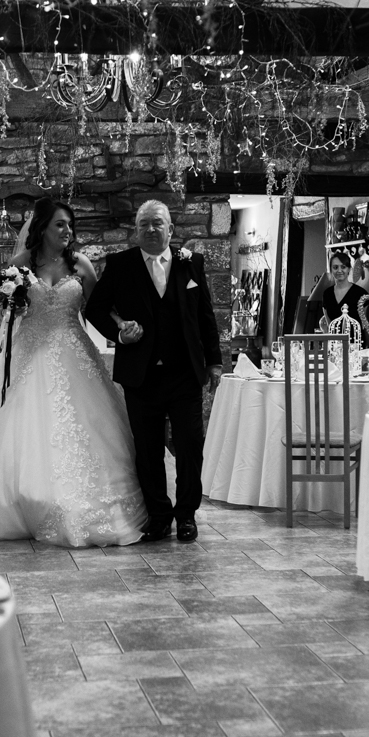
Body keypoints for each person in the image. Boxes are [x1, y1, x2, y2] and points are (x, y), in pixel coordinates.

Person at [0, 198, 147, 547]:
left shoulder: (80, 265)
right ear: (42, 228)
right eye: (60, 225)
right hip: (29, 353)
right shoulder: (21, 264)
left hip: (74, 352)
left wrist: (122, 326)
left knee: (87, 428)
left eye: (70, 225)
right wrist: (7, 302)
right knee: (28, 433)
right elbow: (7, 309)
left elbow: (99, 308)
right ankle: (30, 498)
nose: (67, 231)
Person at [84, 200, 222, 544]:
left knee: (190, 446)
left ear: (170, 229)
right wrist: (118, 333)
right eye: (143, 224)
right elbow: (95, 309)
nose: (150, 229)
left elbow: (205, 315)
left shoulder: (192, 264)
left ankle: (186, 514)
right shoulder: (120, 265)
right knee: (147, 450)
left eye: (157, 223)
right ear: (136, 230)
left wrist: (215, 361)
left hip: (185, 374)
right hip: (141, 375)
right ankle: (159, 516)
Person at [303, 251, 368, 333]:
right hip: (334, 343)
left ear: (349, 269)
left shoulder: (361, 293)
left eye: (343, 267)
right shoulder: (327, 294)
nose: (339, 270)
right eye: (335, 267)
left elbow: (366, 327)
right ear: (331, 270)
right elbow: (329, 326)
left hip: (356, 343)